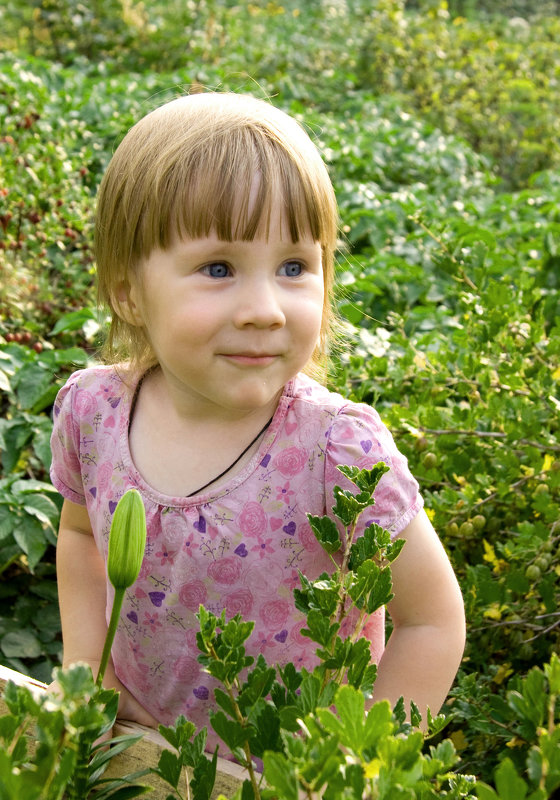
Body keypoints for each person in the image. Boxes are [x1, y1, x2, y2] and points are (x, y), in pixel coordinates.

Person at [50, 92, 465, 750]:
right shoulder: (93, 411)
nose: (265, 308)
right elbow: (78, 538)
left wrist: (357, 768)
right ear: (128, 290)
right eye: (218, 268)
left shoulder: (339, 450)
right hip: (135, 749)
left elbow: (433, 620)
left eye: (295, 266)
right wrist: (86, 668)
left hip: (283, 774)